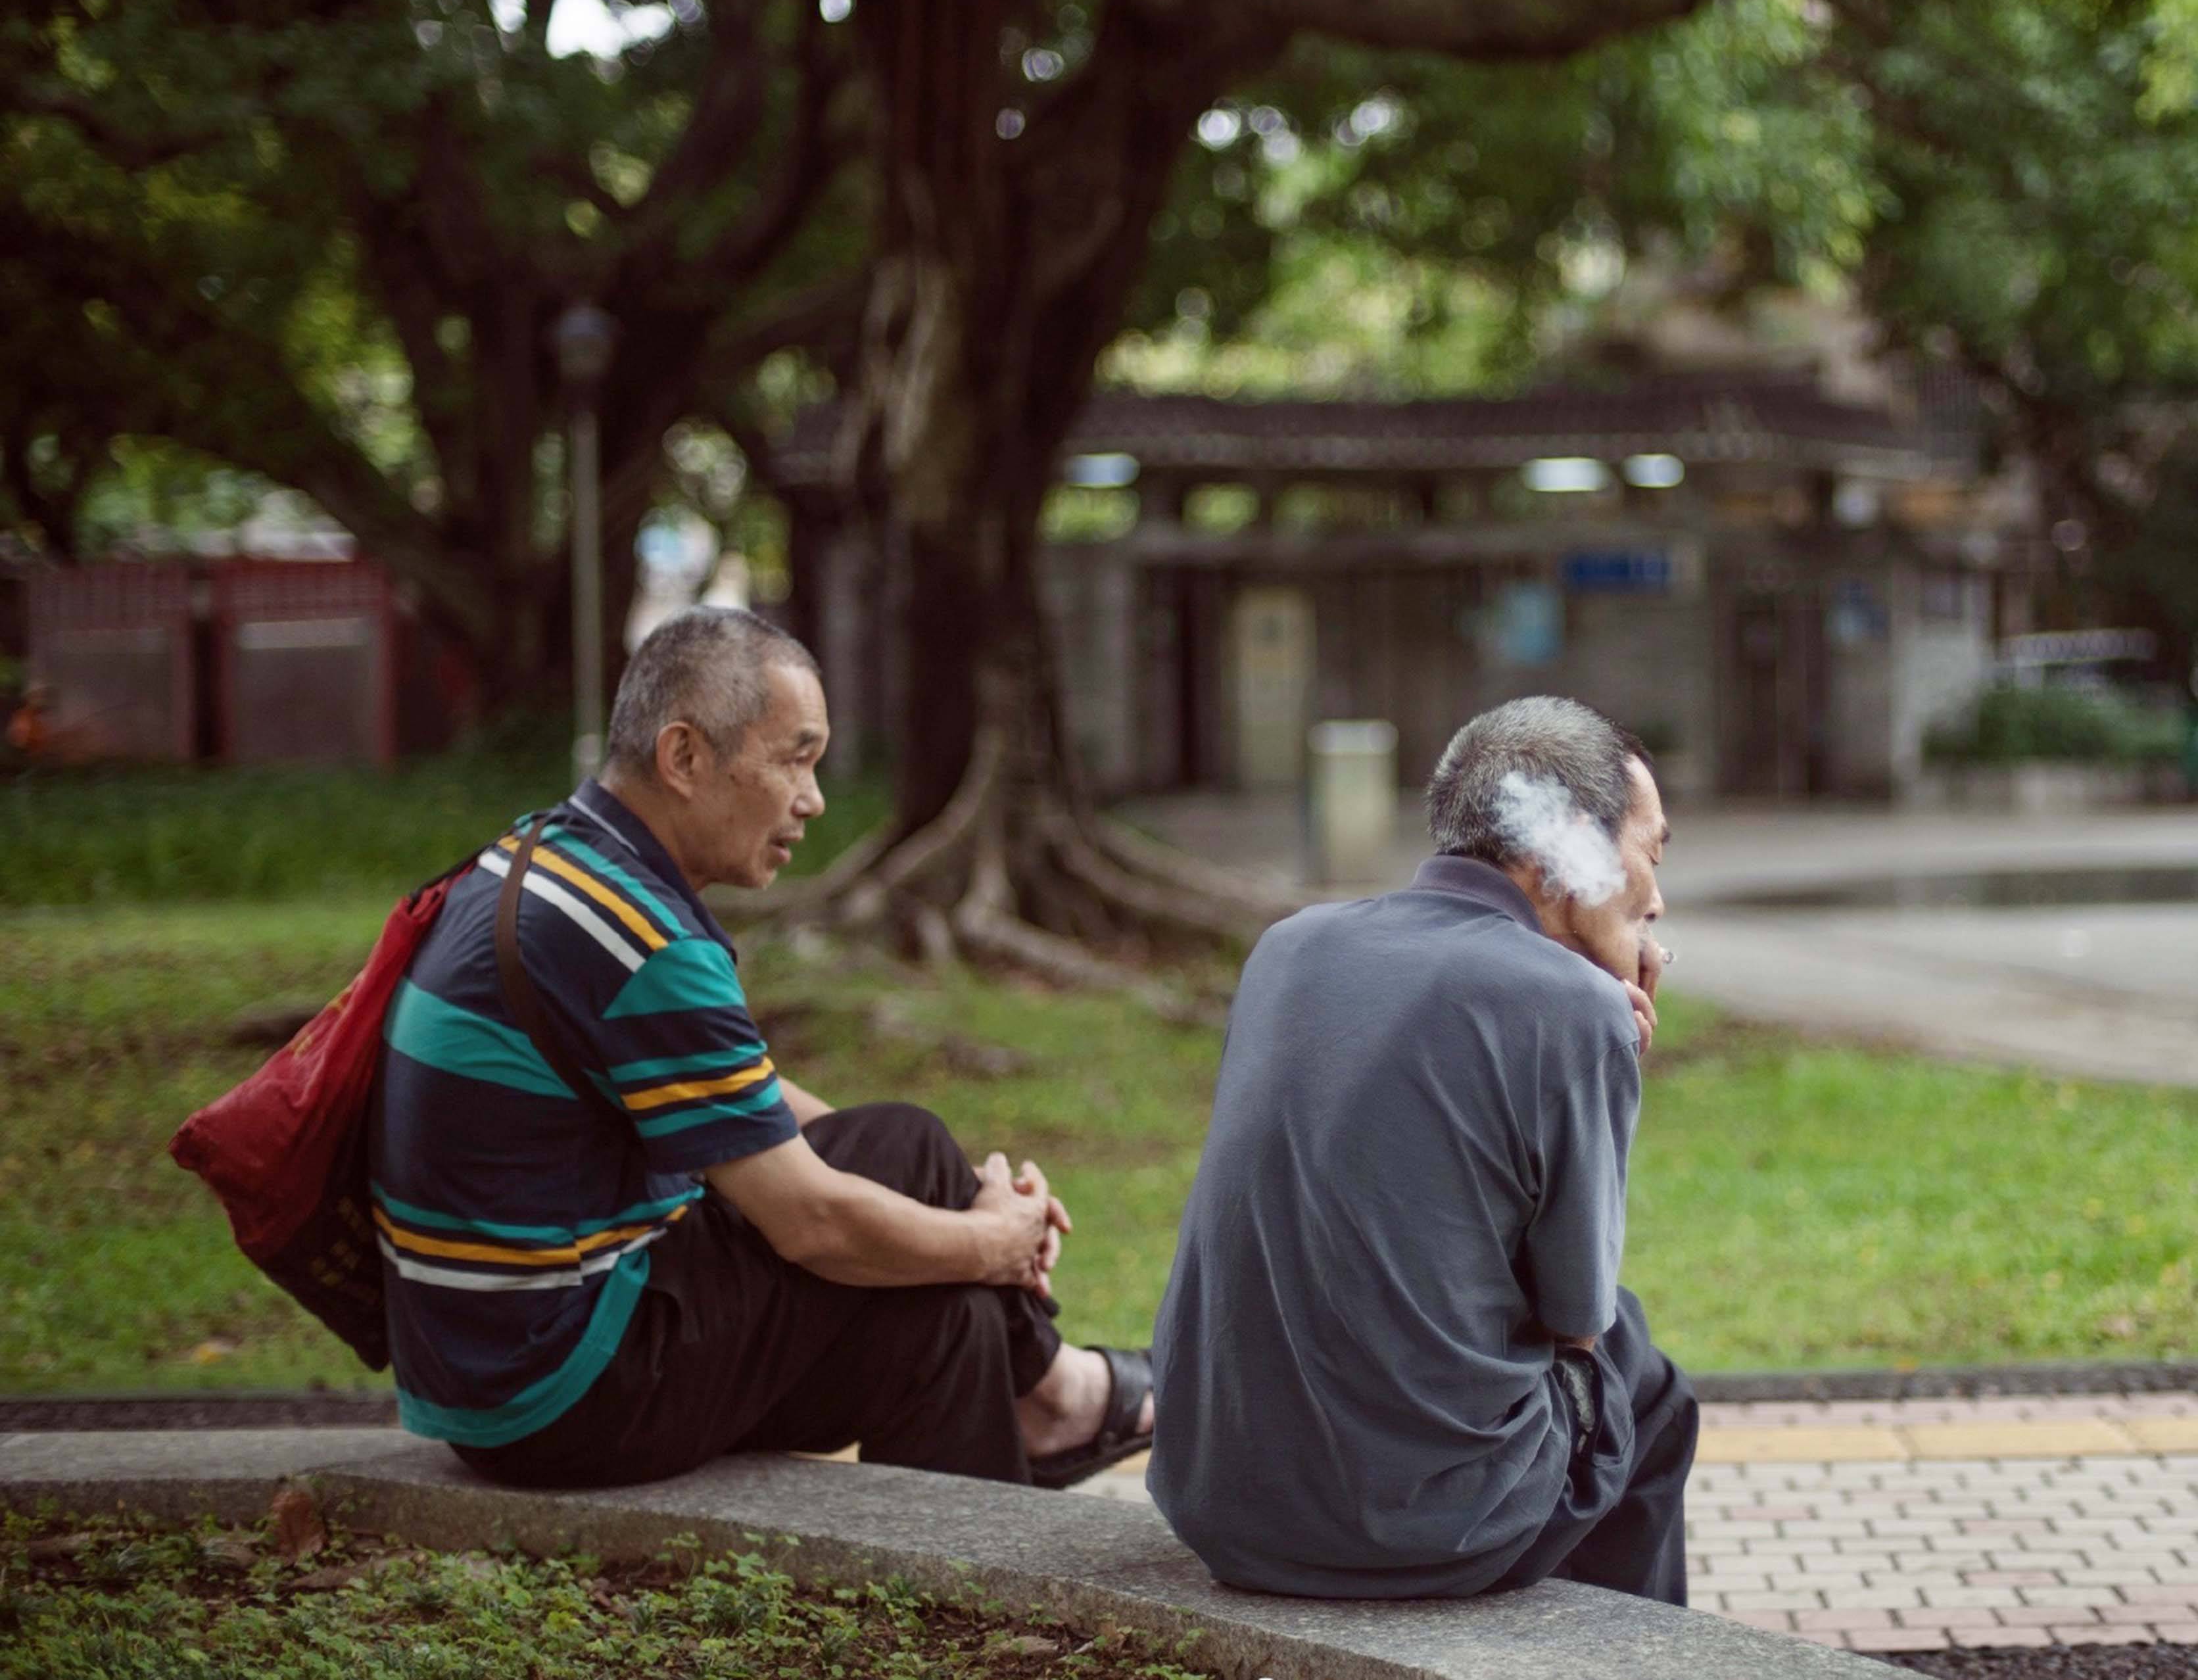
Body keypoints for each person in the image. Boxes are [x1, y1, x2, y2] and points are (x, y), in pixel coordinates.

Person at [370, 606, 1151, 1489]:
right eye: (795, 760)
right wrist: (992, 1243)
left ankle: (978, 1549)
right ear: (685, 757)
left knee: (946, 1308)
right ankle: (1061, 1396)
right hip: (560, 1388)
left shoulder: (545, 859)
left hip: (483, 1372)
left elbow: (754, 1110)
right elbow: (808, 1221)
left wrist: (971, 1207)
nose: (814, 800)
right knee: (910, 1170)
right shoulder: (641, 941)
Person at [1147, 694, 1696, 1602]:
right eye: (1653, 850)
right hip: (1420, 1531)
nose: (1659, 897)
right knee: (1641, 1372)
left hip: (1220, 1506)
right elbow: (1576, 1316)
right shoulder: (1575, 1008)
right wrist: (1605, 1026)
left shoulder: (1289, 946)